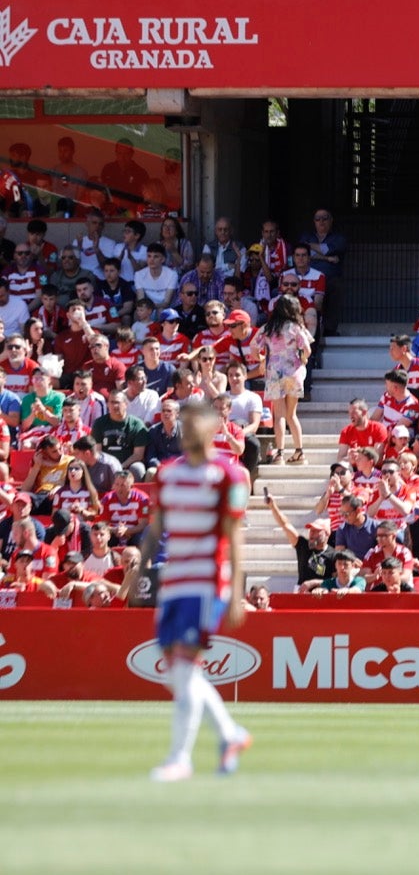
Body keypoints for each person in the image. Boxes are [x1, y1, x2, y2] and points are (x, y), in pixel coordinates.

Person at [137, 400, 252, 781]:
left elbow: (235, 536)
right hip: (173, 580)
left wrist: (236, 591)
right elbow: (156, 528)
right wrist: (138, 570)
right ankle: (230, 734)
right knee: (177, 669)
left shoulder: (227, 475)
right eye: (181, 424)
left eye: (192, 423)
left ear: (211, 427)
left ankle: (179, 758)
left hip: (206, 580)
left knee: (185, 665)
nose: (186, 431)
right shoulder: (168, 474)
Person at [261, 294, 313, 464]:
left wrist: (263, 360)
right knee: (292, 415)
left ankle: (280, 453)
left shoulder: (268, 327)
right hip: (293, 371)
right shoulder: (297, 328)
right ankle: (299, 452)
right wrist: (302, 359)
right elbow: (307, 350)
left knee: (279, 416)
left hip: (274, 371)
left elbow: (254, 348)